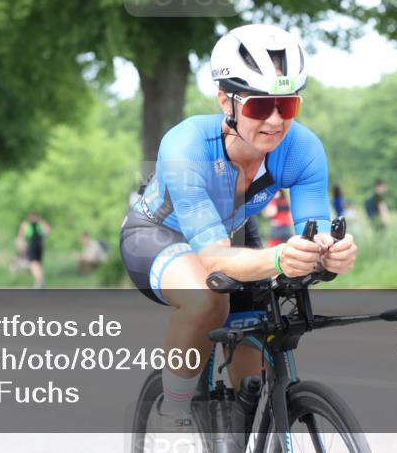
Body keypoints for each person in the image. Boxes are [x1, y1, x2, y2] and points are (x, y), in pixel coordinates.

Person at [119, 25, 357, 441]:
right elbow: (212, 260)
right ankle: (173, 415)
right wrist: (282, 257)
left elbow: (312, 232)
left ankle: (245, 427)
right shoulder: (186, 145)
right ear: (225, 100)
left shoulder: (302, 149)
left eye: (287, 104)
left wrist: (330, 253)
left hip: (233, 235)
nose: (275, 120)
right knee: (207, 300)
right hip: (158, 235)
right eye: (258, 108)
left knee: (265, 329)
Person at [18, 212, 50, 289]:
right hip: (40, 245)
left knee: (33, 264)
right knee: (38, 264)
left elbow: (21, 236)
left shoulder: (26, 225)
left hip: (32, 245)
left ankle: (39, 281)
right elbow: (48, 232)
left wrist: (21, 246)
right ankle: (39, 282)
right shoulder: (41, 224)